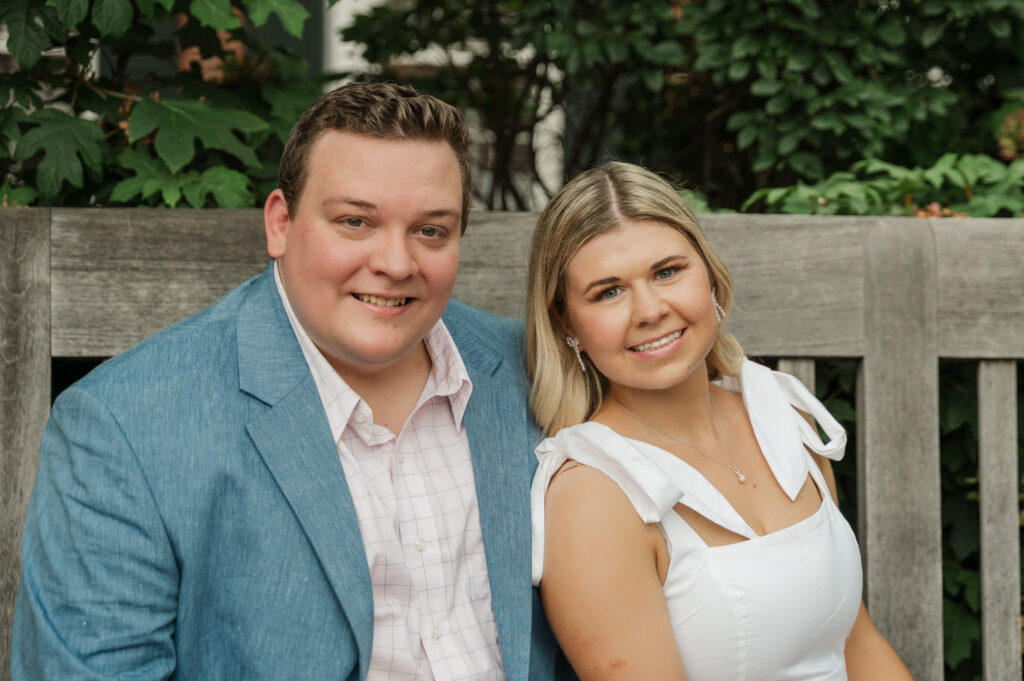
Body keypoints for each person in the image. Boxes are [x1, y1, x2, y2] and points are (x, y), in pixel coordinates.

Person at [13, 82, 567, 681]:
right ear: (280, 223)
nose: (397, 263)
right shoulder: (126, 426)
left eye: (431, 230)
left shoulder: (530, 369)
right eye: (356, 221)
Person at [525, 162, 912, 680]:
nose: (649, 310)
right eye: (608, 291)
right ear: (566, 321)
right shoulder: (594, 494)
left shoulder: (781, 416)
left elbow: (856, 642)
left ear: (707, 274)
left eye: (667, 272)